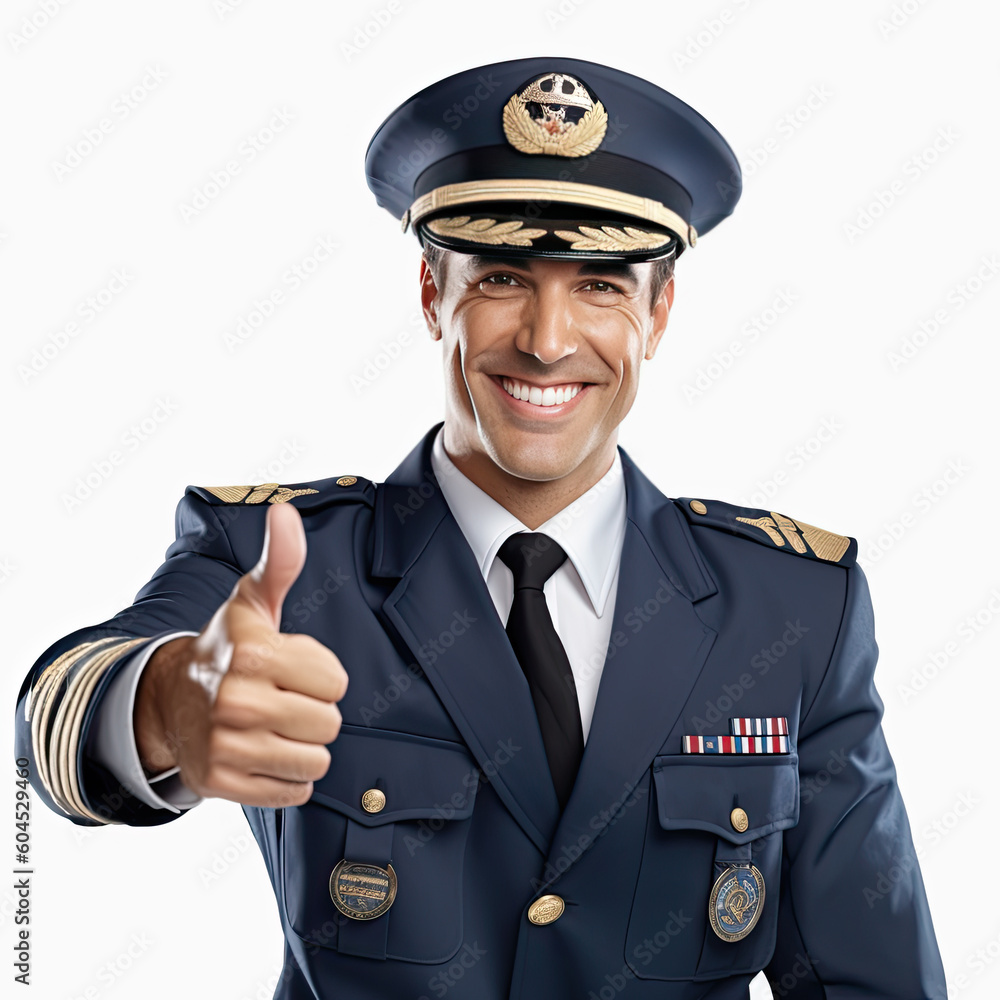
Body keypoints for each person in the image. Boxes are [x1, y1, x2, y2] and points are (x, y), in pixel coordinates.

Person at [15, 56, 946, 998]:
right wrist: (166, 702)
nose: (547, 340)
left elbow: (869, 978)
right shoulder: (283, 563)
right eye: (503, 276)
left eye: (601, 286)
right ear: (432, 295)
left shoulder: (790, 606)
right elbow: (55, 712)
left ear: (658, 313)